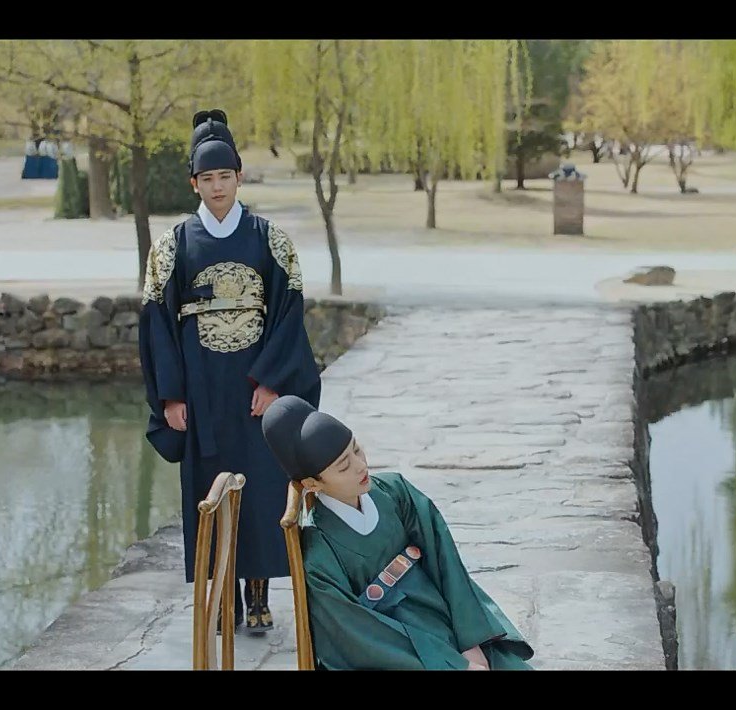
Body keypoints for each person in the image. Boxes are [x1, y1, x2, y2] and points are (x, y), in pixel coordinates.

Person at [138, 108, 321, 634]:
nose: (217, 186)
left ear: (240, 177)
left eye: (226, 176)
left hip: (254, 386)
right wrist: (171, 396)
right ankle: (222, 596)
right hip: (201, 386)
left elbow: (288, 314)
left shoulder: (271, 239)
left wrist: (272, 382)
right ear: (193, 183)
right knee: (209, 488)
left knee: (260, 485)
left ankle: (258, 592)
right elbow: (157, 323)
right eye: (207, 177)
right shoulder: (172, 245)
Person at [261, 396, 535, 670]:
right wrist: (451, 664)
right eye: (344, 466)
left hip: (444, 617)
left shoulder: (396, 492)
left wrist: (470, 640)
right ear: (312, 483)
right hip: (396, 650)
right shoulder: (320, 552)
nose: (360, 466)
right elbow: (356, 635)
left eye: (356, 449)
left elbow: (447, 565)